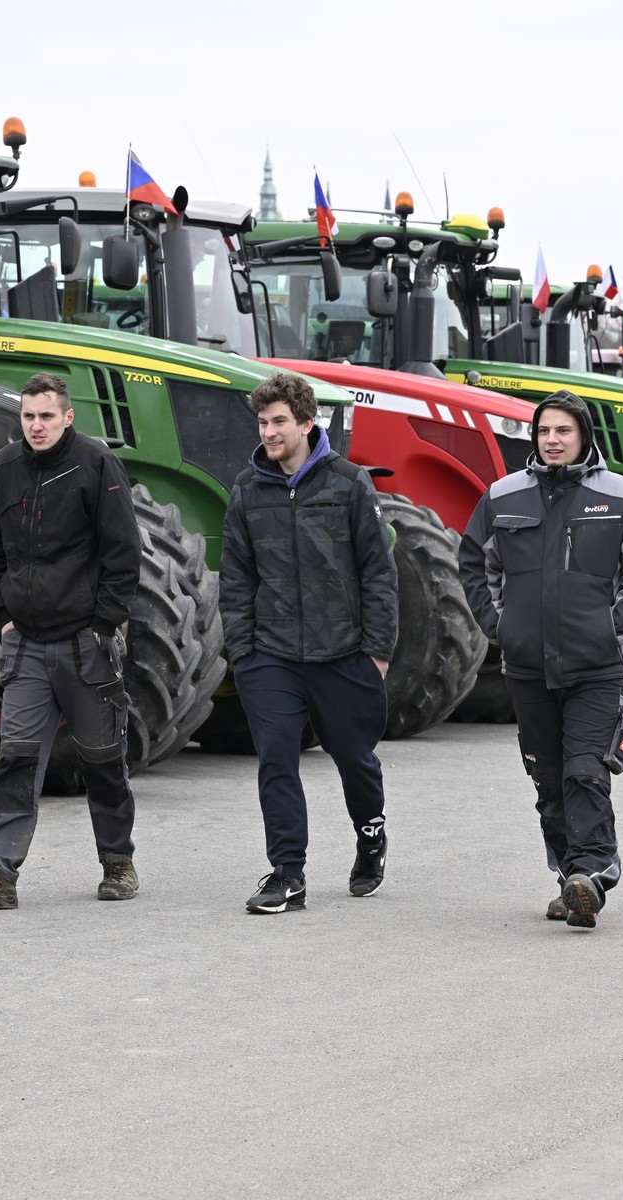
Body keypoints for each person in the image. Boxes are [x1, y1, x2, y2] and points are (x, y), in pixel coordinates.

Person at [458, 390, 623, 929]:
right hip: (527, 667)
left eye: (563, 431)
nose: (552, 440)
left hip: (599, 667)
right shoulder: (503, 496)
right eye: (544, 431)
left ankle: (592, 872)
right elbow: (474, 563)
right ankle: (571, 881)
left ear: (583, 436)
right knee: (548, 780)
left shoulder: (622, 496)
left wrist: (610, 629)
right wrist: (500, 627)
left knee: (585, 771)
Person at [0, 372, 142, 909]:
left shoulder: (97, 465)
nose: (36, 425)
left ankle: (117, 862)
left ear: (67, 417)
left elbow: (123, 552)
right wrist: (3, 618)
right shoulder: (6, 467)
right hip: (26, 645)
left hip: (85, 643)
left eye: (47, 416)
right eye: (29, 416)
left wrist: (104, 626)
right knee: (17, 761)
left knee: (102, 760)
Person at [220, 372, 398, 914]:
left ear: (305, 422)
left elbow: (379, 573)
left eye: (279, 421)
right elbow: (236, 578)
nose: (269, 432)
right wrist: (243, 653)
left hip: (342, 653)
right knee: (276, 761)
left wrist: (378, 653)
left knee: (354, 759)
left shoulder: (349, 483)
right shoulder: (247, 490)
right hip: (270, 656)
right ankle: (287, 874)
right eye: (262, 422)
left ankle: (370, 837)